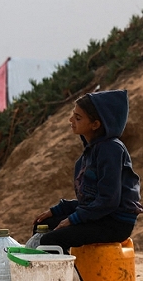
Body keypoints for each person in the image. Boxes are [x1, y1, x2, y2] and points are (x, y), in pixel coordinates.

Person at [33, 90, 143, 256]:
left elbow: (108, 201)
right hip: (101, 217)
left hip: (115, 223)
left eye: (78, 118)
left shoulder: (111, 149)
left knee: (50, 240)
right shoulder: (91, 152)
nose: (71, 121)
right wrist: (59, 210)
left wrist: (73, 219)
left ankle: (64, 275)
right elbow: (91, 201)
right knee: (43, 224)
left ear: (95, 124)